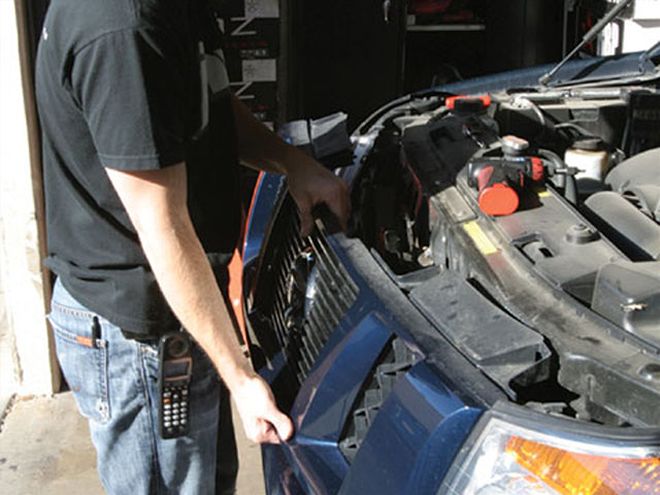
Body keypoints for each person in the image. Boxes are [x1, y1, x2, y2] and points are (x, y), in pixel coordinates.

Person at [35, 0, 350, 493]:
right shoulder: (123, 28)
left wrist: (292, 163)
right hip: (142, 337)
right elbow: (162, 225)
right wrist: (240, 378)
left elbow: (206, 105)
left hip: (177, 309)